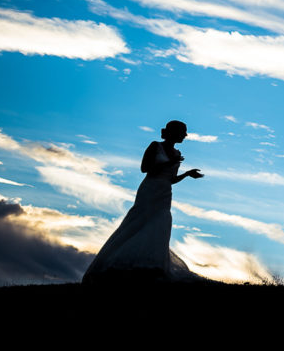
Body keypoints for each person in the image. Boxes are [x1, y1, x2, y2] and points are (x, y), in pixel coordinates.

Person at [82, 120, 203, 284]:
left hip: (165, 194)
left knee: (160, 225)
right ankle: (120, 265)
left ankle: (152, 266)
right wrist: (170, 163)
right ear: (174, 132)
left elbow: (171, 179)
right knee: (138, 223)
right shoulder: (155, 146)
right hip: (149, 190)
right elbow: (145, 169)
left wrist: (187, 174)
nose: (186, 135)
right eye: (183, 131)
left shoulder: (176, 153)